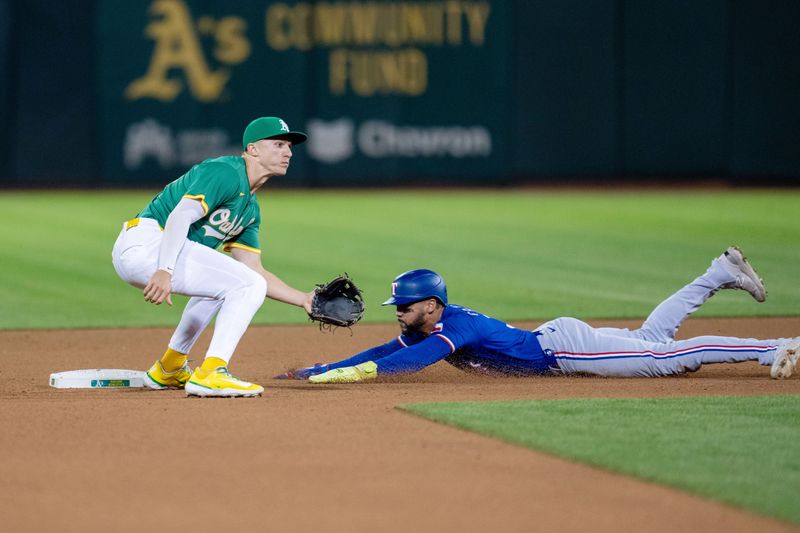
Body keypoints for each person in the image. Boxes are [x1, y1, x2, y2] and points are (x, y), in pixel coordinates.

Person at [277, 247, 799, 383]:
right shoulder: (432, 321)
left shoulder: (450, 327)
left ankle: (772, 348)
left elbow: (404, 366)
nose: (399, 314)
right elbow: (384, 351)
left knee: (666, 358)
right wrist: (320, 370)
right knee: (651, 337)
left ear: (431, 305)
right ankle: (717, 272)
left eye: (405, 306)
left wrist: (347, 375)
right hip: (557, 340)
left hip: (564, 351)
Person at [112, 116, 315, 397]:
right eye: (278, 144)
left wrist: (304, 299)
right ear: (252, 150)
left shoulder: (249, 211)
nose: (288, 152)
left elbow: (254, 270)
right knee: (243, 284)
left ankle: (168, 369)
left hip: (157, 250)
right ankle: (212, 372)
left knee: (230, 283)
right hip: (147, 243)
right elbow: (180, 216)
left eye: (289, 146)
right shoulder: (226, 172)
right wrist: (164, 269)